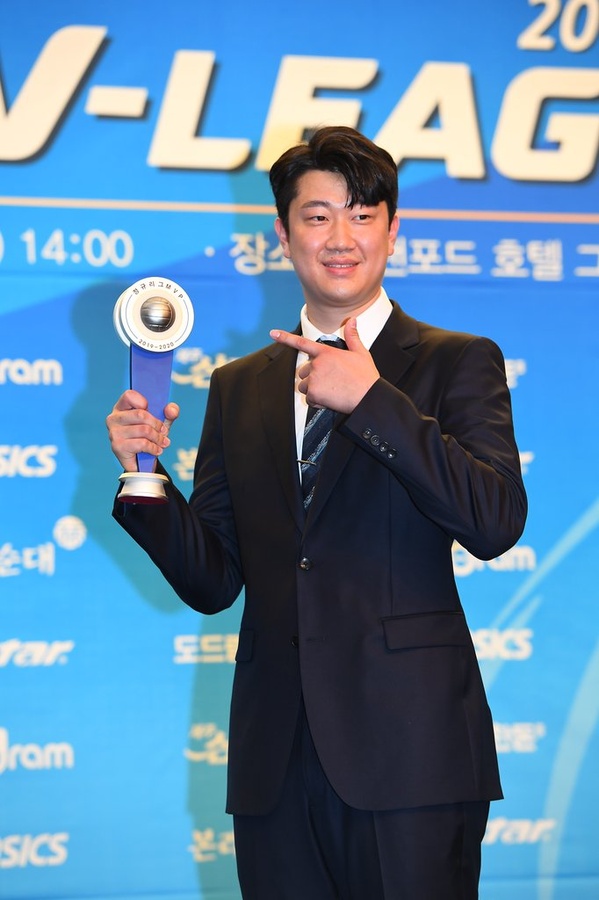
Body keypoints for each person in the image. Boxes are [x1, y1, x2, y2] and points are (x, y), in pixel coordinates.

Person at [107, 126, 527, 899]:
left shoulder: (452, 360)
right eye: (318, 215)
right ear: (282, 232)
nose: (341, 238)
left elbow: (494, 520)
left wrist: (371, 400)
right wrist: (144, 478)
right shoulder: (239, 385)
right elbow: (215, 579)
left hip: (410, 753)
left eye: (363, 215)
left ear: (394, 229)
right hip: (275, 761)